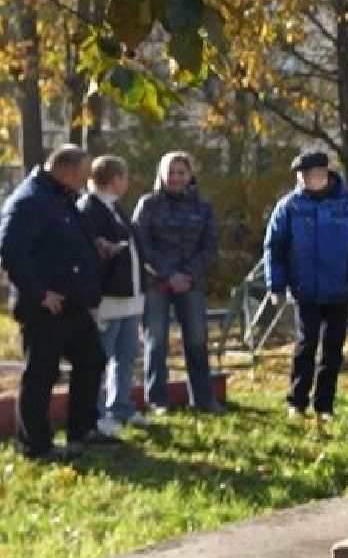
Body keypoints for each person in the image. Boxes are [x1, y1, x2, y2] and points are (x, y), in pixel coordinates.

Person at [0, 146, 109, 460]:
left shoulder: (61, 198)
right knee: (41, 374)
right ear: (67, 171)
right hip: (47, 305)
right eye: (84, 174)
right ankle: (34, 444)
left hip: (73, 302)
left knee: (91, 359)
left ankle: (83, 429)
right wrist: (39, 293)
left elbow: (67, 240)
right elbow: (11, 251)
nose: (87, 180)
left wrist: (96, 245)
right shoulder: (30, 200)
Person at [264, 151, 348, 419]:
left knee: (333, 349)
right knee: (305, 345)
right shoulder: (289, 206)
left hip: (340, 288)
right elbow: (274, 247)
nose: (302, 179)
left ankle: (325, 405)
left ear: (322, 174)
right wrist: (275, 285)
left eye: (306, 174)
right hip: (305, 289)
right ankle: (296, 402)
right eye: (300, 175)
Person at [131, 150, 220, 413]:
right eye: (170, 172)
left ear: (190, 175)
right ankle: (157, 400)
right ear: (161, 174)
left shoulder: (203, 208)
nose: (175, 177)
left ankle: (203, 399)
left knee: (196, 340)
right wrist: (168, 274)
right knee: (156, 342)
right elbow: (141, 244)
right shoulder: (147, 204)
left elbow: (210, 247)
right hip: (156, 283)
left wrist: (187, 274)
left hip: (190, 282)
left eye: (181, 172)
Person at [79, 156, 147, 436]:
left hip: (128, 299)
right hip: (107, 300)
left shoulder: (115, 208)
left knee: (126, 354)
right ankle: (97, 412)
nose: (126, 183)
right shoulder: (90, 208)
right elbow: (91, 254)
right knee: (101, 357)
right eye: (124, 177)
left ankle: (121, 405)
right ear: (114, 178)